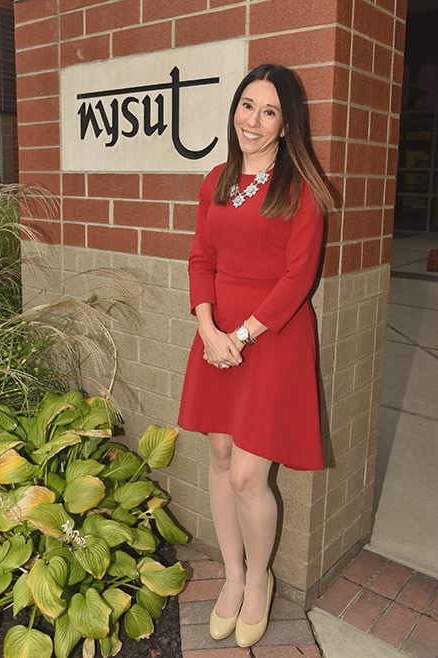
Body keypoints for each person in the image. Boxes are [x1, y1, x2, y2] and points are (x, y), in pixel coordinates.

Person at [177, 63, 334, 648]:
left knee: (248, 475)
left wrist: (239, 335)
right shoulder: (215, 179)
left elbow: (298, 279)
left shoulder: (302, 189)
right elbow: (201, 259)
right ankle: (234, 576)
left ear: (288, 124)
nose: (254, 120)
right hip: (216, 333)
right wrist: (206, 325)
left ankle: (261, 580)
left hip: (272, 335)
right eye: (247, 105)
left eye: (269, 111)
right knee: (219, 455)